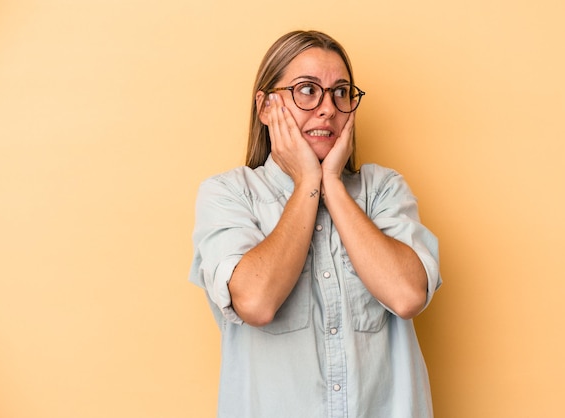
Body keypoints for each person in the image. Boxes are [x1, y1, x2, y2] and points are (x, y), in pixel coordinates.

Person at [189, 30, 442, 418]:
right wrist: (307, 182)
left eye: (341, 92)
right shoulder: (228, 194)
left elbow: (407, 295)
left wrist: (333, 186)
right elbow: (256, 301)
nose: (328, 108)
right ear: (265, 107)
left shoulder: (383, 189)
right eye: (307, 90)